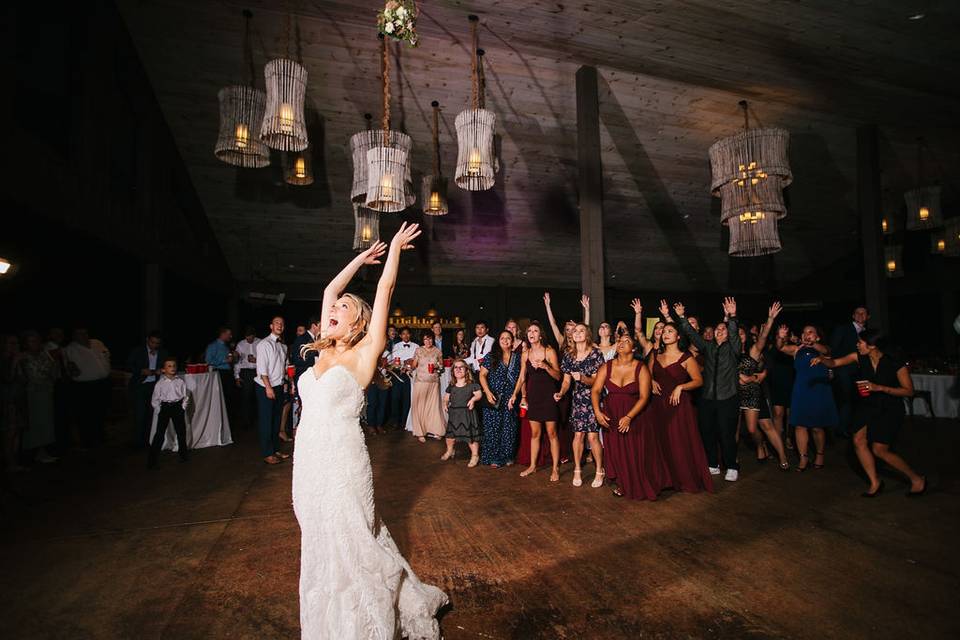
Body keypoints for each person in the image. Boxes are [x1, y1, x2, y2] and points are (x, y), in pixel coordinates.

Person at [293, 223, 447, 638]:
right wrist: (359, 259)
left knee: (354, 536)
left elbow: (385, 291)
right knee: (321, 536)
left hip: (343, 460)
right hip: (308, 460)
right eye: (333, 308)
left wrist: (394, 250)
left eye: (343, 307)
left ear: (358, 322)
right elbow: (328, 290)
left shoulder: (365, 353)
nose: (333, 309)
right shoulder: (323, 351)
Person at [813, 329, 925, 497]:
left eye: (860, 342)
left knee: (880, 450)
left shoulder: (894, 362)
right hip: (868, 405)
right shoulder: (859, 357)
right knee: (858, 440)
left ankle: (916, 479)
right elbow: (835, 363)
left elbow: (909, 392)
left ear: (872, 346)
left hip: (889, 408)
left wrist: (879, 388)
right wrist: (822, 359)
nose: (857, 344)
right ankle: (875, 482)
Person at [675, 298, 742, 481]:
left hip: (727, 398)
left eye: (723, 329)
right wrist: (682, 317)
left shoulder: (734, 349)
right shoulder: (709, 347)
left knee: (726, 433)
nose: (719, 331)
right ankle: (712, 464)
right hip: (707, 398)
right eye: (717, 329)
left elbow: (735, 334)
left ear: (728, 333)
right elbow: (693, 336)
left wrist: (732, 316)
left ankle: (731, 466)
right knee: (707, 431)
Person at [592, 334, 660, 499]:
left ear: (634, 348)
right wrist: (597, 412)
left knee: (634, 452)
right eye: (620, 341)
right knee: (616, 452)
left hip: (635, 415)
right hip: (611, 415)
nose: (621, 343)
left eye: (627, 341)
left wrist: (629, 417)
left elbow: (645, 397)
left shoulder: (641, 368)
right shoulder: (606, 366)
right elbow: (595, 390)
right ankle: (623, 483)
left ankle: (637, 482)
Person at [650, 323, 713, 493]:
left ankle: (684, 478)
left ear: (678, 337)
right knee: (660, 442)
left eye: (670, 331)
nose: (666, 334)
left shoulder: (686, 358)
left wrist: (681, 387)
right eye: (664, 332)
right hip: (657, 405)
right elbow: (645, 375)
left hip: (678, 404)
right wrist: (650, 381)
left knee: (678, 442)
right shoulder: (655, 355)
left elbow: (698, 381)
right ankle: (665, 479)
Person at [777, 324, 836, 471]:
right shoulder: (798, 349)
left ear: (818, 336)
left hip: (819, 390)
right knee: (799, 424)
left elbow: (827, 350)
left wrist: (813, 344)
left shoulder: (823, 350)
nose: (806, 334)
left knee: (817, 427)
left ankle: (820, 454)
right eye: (804, 332)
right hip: (800, 390)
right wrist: (781, 336)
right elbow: (781, 347)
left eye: (810, 332)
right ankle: (803, 458)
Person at [738, 303, 789, 470]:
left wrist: (770, 319)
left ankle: (782, 457)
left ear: (746, 335)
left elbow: (763, 338)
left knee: (759, 427)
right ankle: (736, 458)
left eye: (741, 334)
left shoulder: (752, 351)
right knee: (737, 430)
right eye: (735, 334)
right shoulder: (728, 353)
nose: (738, 336)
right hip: (733, 393)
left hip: (752, 393)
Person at [555, 323, 605, 487]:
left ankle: (599, 470)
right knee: (578, 436)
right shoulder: (569, 356)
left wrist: (583, 378)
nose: (577, 333)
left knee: (592, 436)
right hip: (578, 400)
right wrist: (561, 393)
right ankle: (577, 469)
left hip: (593, 398)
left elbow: (598, 381)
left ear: (588, 334)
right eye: (575, 331)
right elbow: (566, 381)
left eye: (581, 330)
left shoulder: (596, 353)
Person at [518, 321, 562, 481]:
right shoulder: (525, 354)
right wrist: (522, 397)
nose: (531, 333)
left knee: (551, 433)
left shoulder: (549, 351)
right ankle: (532, 466)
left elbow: (558, 376)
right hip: (533, 397)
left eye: (535, 330)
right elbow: (523, 378)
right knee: (535, 434)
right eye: (529, 331)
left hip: (548, 396)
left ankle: (556, 469)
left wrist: (546, 366)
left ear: (540, 334)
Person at [478, 330, 523, 467]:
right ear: (498, 340)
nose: (505, 340)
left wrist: (515, 394)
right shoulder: (491, 356)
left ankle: (507, 456)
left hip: (510, 398)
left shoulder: (518, 358)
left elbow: (521, 379)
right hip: (494, 397)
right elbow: (482, 375)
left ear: (512, 341)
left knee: (509, 428)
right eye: (502, 338)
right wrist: (487, 392)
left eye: (508, 338)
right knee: (493, 428)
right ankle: (493, 457)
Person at [63, 328, 111, 447]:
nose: (83, 335)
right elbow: (70, 371)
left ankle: (100, 436)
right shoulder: (70, 349)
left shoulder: (97, 343)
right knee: (85, 414)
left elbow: (107, 355)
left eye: (85, 332)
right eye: (79, 333)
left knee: (101, 411)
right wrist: (71, 369)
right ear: (74, 336)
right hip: (84, 387)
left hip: (102, 383)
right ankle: (87, 440)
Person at [19, 331, 60, 463]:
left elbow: (53, 373)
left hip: (46, 393)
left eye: (37, 340)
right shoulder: (23, 357)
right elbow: (31, 376)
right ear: (25, 343)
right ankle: (31, 453)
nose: (35, 343)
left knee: (46, 422)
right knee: (34, 423)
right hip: (31, 394)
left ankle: (42, 452)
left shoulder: (45, 355)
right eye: (31, 341)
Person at [830, 306, 869, 437]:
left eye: (863, 313)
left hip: (861, 372)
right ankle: (841, 429)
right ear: (853, 315)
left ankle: (855, 428)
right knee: (845, 400)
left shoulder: (868, 333)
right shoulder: (843, 329)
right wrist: (833, 369)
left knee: (858, 400)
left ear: (867, 317)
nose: (860, 315)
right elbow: (833, 349)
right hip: (843, 371)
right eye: (857, 313)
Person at [255, 316, 288, 465]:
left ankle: (275, 449)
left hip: (279, 385)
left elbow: (284, 367)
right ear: (271, 326)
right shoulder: (264, 344)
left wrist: (286, 382)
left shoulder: (283, 346)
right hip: (265, 386)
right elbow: (262, 369)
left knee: (276, 420)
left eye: (281, 323)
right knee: (266, 420)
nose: (279, 325)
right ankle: (267, 453)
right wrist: (268, 388)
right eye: (276, 323)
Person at [126, 331, 166, 448]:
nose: (155, 345)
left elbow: (169, 366)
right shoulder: (138, 351)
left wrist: (162, 370)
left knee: (152, 414)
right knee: (139, 415)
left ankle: (150, 440)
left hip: (155, 386)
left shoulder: (163, 353)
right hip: (140, 386)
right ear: (147, 340)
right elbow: (128, 365)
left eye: (157, 343)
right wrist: (141, 371)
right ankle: (138, 442)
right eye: (152, 342)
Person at [148, 357, 189, 468]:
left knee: (181, 432)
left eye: (174, 366)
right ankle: (152, 461)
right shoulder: (160, 384)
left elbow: (185, 396)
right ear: (163, 370)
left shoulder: (180, 381)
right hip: (165, 408)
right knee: (159, 434)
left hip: (177, 407)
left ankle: (183, 456)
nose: (172, 368)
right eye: (169, 366)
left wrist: (182, 407)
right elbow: (155, 399)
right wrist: (160, 410)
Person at [442, 359, 482, 466]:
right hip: (454, 414)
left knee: (471, 437)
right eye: (456, 367)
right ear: (453, 371)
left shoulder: (472, 384)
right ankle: (450, 450)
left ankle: (475, 455)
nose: (458, 369)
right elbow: (446, 398)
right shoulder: (452, 386)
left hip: (467, 414)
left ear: (466, 370)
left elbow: (479, 394)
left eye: (461, 367)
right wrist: (445, 404)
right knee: (450, 436)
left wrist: (473, 400)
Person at [410, 332, 445, 442]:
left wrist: (437, 367)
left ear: (433, 340)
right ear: (423, 340)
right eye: (426, 339)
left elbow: (442, 366)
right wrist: (411, 363)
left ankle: (436, 430)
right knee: (419, 406)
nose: (428, 341)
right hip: (420, 381)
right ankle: (420, 432)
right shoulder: (418, 350)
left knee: (434, 407)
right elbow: (413, 365)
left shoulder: (437, 351)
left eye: (430, 339)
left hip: (434, 382)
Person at [1, 335, 27, 471]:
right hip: (8, 402)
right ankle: (10, 463)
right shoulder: (4, 360)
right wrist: (15, 362)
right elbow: (8, 379)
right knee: (9, 433)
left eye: (16, 343)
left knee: (17, 431)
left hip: (18, 400)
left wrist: (18, 363)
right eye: (11, 343)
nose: (15, 346)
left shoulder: (15, 359)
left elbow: (23, 380)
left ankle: (15, 462)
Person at [389, 327, 417, 430]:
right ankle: (395, 421)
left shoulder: (416, 346)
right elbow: (392, 361)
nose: (406, 336)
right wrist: (404, 363)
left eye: (408, 334)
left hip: (410, 375)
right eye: (403, 334)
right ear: (400, 336)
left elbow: (416, 361)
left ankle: (405, 421)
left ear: (410, 335)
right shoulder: (396, 346)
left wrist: (409, 364)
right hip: (398, 374)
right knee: (396, 398)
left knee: (407, 398)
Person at [233, 327, 260, 430]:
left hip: (258, 371)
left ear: (254, 335)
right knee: (246, 397)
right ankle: (246, 421)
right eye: (246, 337)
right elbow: (237, 362)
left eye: (250, 336)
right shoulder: (240, 344)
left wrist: (256, 360)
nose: (248, 338)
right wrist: (237, 376)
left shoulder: (260, 342)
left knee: (258, 396)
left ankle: (258, 420)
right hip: (246, 372)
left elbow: (264, 359)